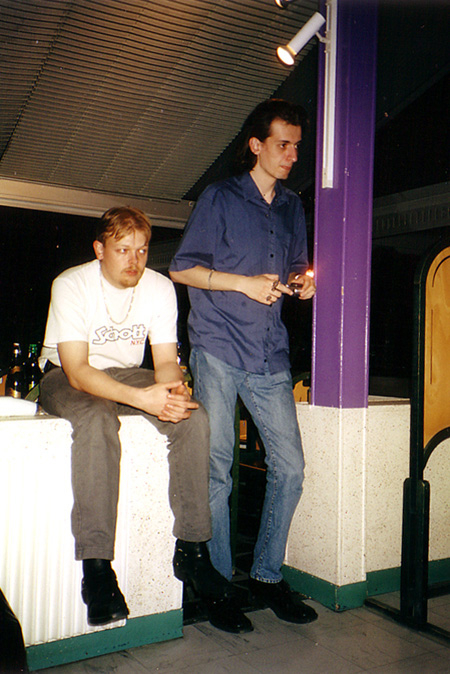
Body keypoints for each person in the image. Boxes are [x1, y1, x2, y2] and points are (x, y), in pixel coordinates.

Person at [39, 206, 252, 634]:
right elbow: (78, 371)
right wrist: (143, 399)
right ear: (100, 249)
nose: (134, 260)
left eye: (141, 250)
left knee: (192, 417)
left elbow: (166, 361)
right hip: (66, 376)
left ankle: (193, 551)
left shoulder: (158, 287)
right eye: (123, 250)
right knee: (97, 418)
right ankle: (97, 568)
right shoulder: (71, 284)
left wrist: (172, 392)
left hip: (125, 374)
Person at [169, 99, 318, 629]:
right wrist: (243, 284)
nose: (292, 155)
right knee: (217, 470)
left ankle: (266, 575)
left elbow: (297, 267)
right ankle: (217, 585)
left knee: (291, 467)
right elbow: (182, 268)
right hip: (217, 345)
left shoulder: (292, 206)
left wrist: (302, 284)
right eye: (283, 144)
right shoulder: (220, 197)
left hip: (269, 350)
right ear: (256, 145)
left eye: (297, 146)